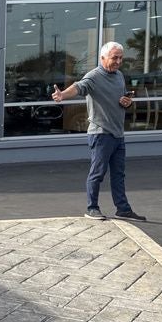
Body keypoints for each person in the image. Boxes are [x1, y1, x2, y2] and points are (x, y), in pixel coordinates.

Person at [51, 42, 146, 222]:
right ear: (103, 58)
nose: (118, 61)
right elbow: (79, 86)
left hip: (118, 134)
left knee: (119, 174)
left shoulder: (119, 76)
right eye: (114, 58)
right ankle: (92, 207)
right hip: (101, 133)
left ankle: (123, 209)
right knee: (98, 172)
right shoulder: (94, 76)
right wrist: (62, 95)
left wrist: (127, 102)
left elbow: (121, 98)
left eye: (120, 58)